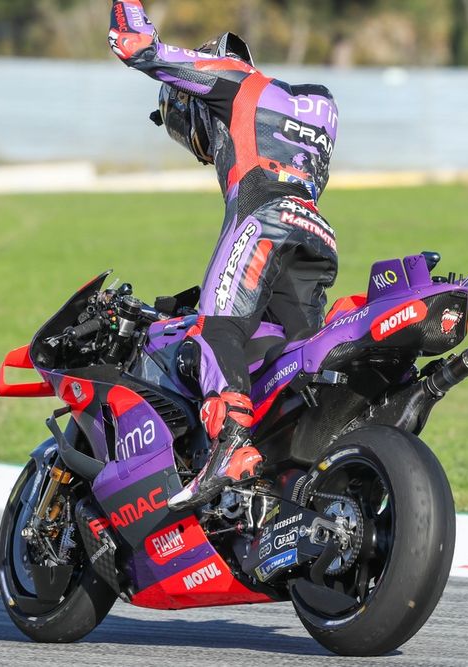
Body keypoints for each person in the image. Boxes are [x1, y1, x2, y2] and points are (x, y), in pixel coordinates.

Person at [109, 0, 339, 510]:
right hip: (316, 235)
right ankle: (300, 472)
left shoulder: (234, 82)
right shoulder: (317, 105)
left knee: (219, 328)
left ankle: (231, 442)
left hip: (263, 219)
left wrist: (126, 15)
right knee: (297, 363)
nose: (201, 148)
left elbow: (141, 50)